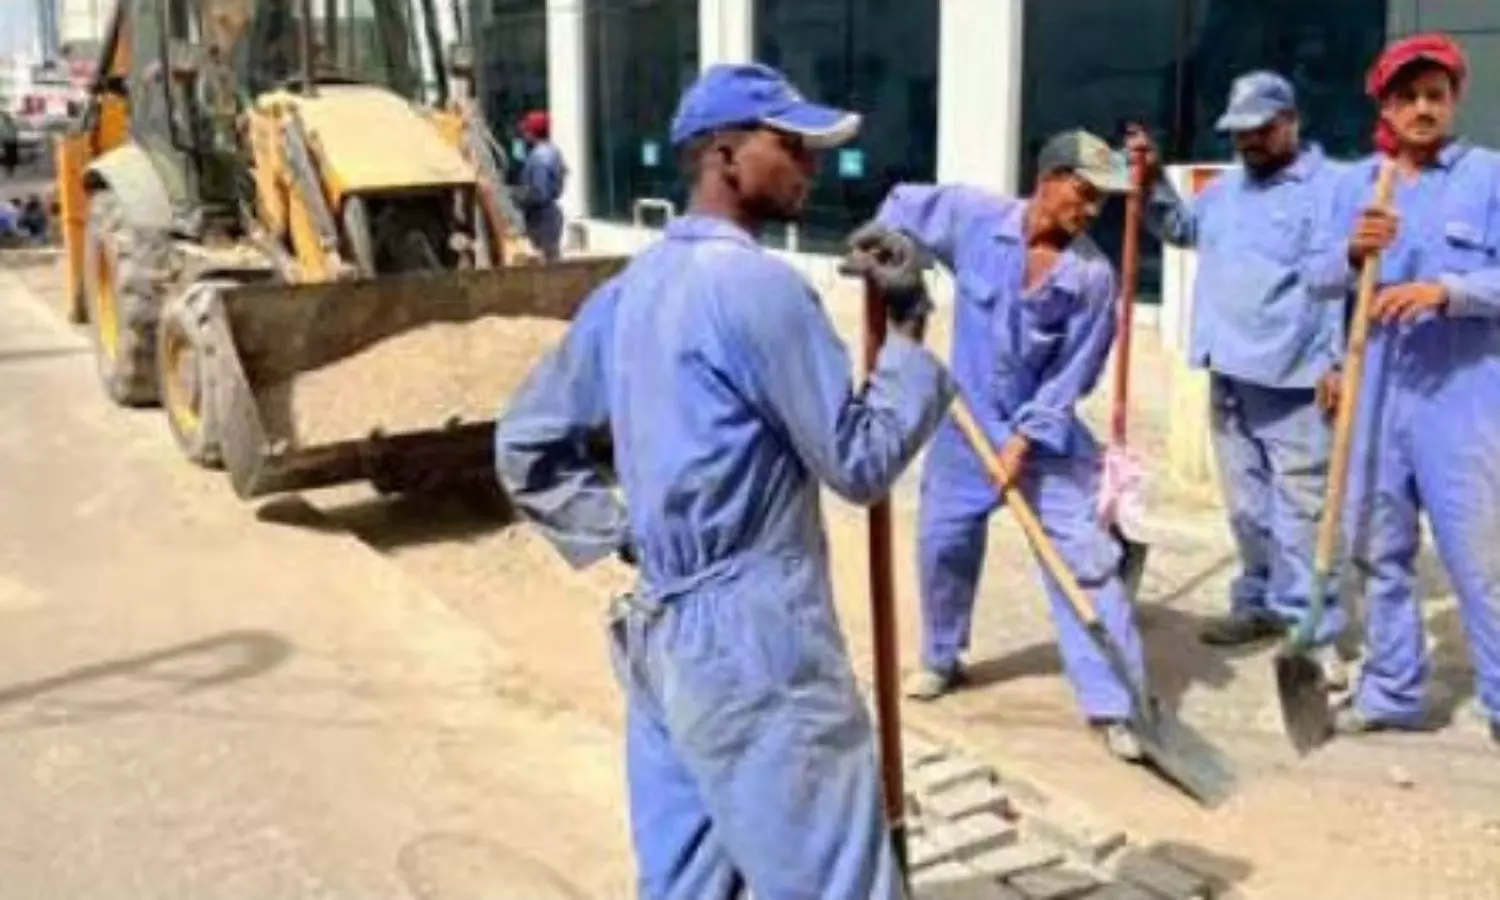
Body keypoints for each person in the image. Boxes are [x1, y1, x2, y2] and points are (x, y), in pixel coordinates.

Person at [493, 62, 954, 899]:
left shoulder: (630, 289)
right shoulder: (758, 287)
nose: (811, 166)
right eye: (792, 147)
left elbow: (526, 442)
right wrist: (911, 330)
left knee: (687, 886)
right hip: (757, 650)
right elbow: (859, 462)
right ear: (725, 155)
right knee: (836, 881)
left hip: (662, 640)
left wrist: (630, 537)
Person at [876, 131, 1150, 760]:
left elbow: (1071, 376)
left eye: (1102, 202)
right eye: (1084, 193)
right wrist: (897, 262)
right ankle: (942, 657)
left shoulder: (1091, 278)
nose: (1091, 211)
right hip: (965, 427)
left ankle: (1120, 704)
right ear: (1048, 179)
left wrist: (1023, 443)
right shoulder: (976, 219)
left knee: (1085, 564)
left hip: (1044, 440)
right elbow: (898, 207)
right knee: (943, 543)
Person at [1124, 73, 1350, 675]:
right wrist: (1152, 181)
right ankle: (1257, 603)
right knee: (1248, 506)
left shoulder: (1331, 189)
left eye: (1260, 129)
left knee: (1302, 509)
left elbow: (1342, 281)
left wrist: (1338, 362)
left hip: (1295, 377)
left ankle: (1310, 628)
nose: (1248, 141)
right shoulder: (1225, 191)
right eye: (1239, 132)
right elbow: (1181, 229)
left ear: (1291, 122)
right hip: (1227, 371)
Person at [1309, 33, 1500, 745]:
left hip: (1463, 397)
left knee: (1479, 559)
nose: (1423, 108)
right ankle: (1392, 691)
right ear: (1386, 107)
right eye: (1408, 97)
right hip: (1374, 393)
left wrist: (1447, 291)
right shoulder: (1357, 186)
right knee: (1376, 550)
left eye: (1435, 96)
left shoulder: (1488, 177)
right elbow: (1316, 280)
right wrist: (1353, 251)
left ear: (1453, 102)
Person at [514, 110, 567, 261]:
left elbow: (539, 193)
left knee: (542, 263)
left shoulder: (539, 157)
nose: (523, 136)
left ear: (532, 133)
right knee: (551, 260)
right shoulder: (553, 151)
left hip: (541, 219)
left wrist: (515, 196)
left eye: (526, 132)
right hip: (550, 216)